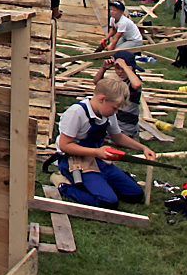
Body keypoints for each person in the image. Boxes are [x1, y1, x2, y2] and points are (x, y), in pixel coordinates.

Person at [52, 76, 156, 208]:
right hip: (74, 161)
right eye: (114, 108)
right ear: (102, 99)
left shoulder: (108, 114)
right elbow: (64, 145)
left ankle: (101, 183)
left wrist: (143, 148)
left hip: (96, 159)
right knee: (108, 202)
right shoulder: (76, 113)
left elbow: (117, 137)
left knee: (135, 195)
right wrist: (97, 152)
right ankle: (63, 185)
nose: (116, 112)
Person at [96, 52, 144, 139]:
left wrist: (124, 66)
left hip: (125, 127)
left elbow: (137, 85)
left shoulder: (133, 82)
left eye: (123, 69)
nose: (120, 72)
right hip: (114, 122)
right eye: (117, 68)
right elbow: (97, 83)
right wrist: (103, 68)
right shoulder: (116, 80)